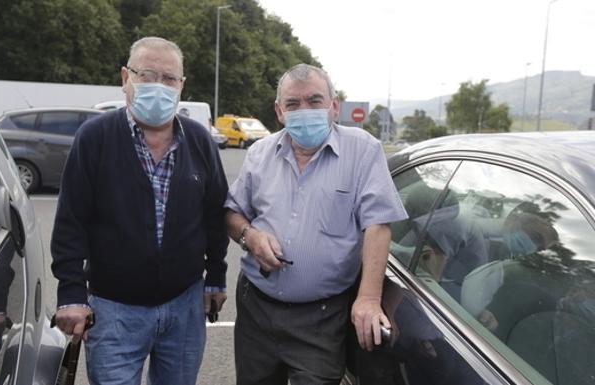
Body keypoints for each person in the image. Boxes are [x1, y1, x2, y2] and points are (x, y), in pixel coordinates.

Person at [50, 36, 229, 385]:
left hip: (184, 307)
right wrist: (71, 293)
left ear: (181, 86)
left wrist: (217, 277)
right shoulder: (95, 138)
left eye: (169, 79)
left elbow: (214, 215)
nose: (159, 86)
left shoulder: (198, 140)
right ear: (125, 78)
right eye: (147, 75)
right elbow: (71, 221)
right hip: (114, 308)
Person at [225, 63, 408, 385]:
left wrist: (367, 298)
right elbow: (232, 212)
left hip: (322, 318)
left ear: (334, 106)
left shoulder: (363, 151)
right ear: (279, 111)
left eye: (314, 101)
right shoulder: (259, 154)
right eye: (293, 104)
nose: (303, 110)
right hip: (257, 309)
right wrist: (249, 236)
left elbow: (378, 225)